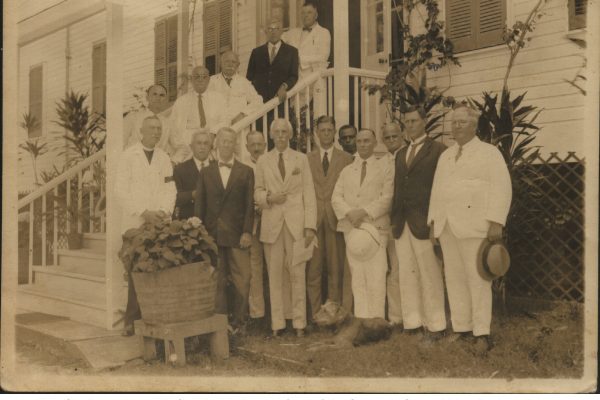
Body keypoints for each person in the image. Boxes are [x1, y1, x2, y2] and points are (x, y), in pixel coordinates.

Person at [428, 104, 512, 353]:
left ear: (474, 125)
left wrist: (496, 221)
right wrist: (434, 223)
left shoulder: (489, 153)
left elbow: (501, 188)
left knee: (477, 279)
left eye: (462, 122)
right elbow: (437, 191)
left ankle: (482, 333)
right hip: (447, 227)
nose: (456, 126)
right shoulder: (445, 156)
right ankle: (462, 328)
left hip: (475, 227)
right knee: (453, 279)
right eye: (453, 122)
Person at [254, 118, 317, 337]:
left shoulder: (301, 159)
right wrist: (270, 197)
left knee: (297, 273)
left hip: (296, 225)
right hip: (272, 225)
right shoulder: (263, 160)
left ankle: (299, 323)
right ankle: (278, 324)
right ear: (271, 135)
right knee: (275, 274)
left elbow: (309, 193)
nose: (281, 135)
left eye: (284, 132)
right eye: (277, 132)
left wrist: (310, 226)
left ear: (289, 135)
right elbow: (257, 192)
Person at [115, 115, 177, 335]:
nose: (156, 132)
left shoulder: (164, 157)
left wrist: (163, 211)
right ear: (141, 130)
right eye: (151, 128)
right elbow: (120, 191)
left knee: (158, 270)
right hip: (135, 223)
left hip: (158, 223)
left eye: (159, 128)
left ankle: (153, 320)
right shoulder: (128, 156)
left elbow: (170, 188)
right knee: (136, 273)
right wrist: (144, 212)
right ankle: (131, 321)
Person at [390, 109, 447, 341]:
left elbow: (441, 189)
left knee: (430, 274)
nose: (410, 125)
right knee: (407, 273)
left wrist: (435, 221)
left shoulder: (439, 151)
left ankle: (436, 326)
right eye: (407, 122)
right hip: (402, 223)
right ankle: (412, 323)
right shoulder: (401, 153)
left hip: (424, 222)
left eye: (414, 121)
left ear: (424, 122)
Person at [195, 127, 255, 331]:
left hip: (238, 236)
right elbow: (199, 207)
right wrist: (201, 236)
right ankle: (219, 325)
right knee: (216, 282)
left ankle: (240, 323)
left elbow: (249, 206)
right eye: (224, 141)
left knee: (243, 280)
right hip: (213, 236)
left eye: (231, 141)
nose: (227, 145)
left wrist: (247, 232)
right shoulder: (206, 172)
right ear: (217, 144)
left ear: (235, 144)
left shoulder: (246, 171)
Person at [331, 129, 394, 320]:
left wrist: (364, 212)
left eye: (367, 141)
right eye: (359, 141)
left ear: (375, 143)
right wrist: (350, 213)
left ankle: (376, 321)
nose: (363, 144)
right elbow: (336, 197)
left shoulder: (385, 167)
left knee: (376, 276)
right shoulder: (348, 170)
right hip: (353, 230)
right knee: (357, 277)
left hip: (375, 229)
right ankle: (362, 320)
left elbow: (387, 197)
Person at [306, 116, 353, 323]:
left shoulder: (346, 159)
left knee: (336, 269)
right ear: (316, 133)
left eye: (329, 130)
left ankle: (333, 315)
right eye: (322, 130)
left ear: (334, 133)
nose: (326, 134)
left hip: (335, 220)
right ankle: (315, 314)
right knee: (314, 270)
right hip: (314, 221)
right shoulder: (307, 158)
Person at [246, 18, 299, 144]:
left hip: (279, 103)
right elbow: (249, 78)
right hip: (259, 103)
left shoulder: (291, 51)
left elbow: (293, 76)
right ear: (265, 31)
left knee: (278, 136)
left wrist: (284, 86)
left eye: (276, 29)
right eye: (270, 29)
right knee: (260, 136)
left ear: (282, 31)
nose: (273, 32)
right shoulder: (256, 52)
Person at [209, 51, 263, 162]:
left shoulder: (244, 82)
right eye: (227, 61)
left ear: (238, 65)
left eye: (233, 62)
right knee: (219, 161)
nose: (230, 64)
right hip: (217, 129)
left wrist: (243, 114)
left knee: (243, 160)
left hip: (240, 128)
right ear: (221, 63)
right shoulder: (212, 81)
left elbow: (258, 101)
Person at [170, 66, 228, 160]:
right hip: (187, 144)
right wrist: (185, 145)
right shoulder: (181, 101)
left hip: (212, 142)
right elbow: (174, 128)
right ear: (191, 80)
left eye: (204, 77)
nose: (200, 80)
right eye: (197, 77)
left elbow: (225, 121)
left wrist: (213, 133)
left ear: (209, 80)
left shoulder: (219, 98)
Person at [381, 122, 405, 327]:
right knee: (394, 269)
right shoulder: (383, 163)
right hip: (389, 222)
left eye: (394, 136)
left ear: (402, 135)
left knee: (413, 269)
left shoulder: (409, 156)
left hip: (410, 221)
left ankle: (418, 316)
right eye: (387, 138)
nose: (391, 141)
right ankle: (396, 317)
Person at [123, 84, 186, 161]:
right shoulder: (133, 117)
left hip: (156, 168)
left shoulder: (168, 123)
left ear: (166, 99)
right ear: (147, 97)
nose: (158, 98)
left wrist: (173, 162)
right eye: (154, 94)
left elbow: (182, 147)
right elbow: (119, 143)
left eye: (162, 95)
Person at [244, 131, 268, 329]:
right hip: (253, 224)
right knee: (255, 268)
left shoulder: (271, 164)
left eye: (260, 144)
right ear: (247, 147)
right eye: (253, 144)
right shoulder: (244, 168)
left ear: (265, 145)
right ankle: (258, 315)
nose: (257, 148)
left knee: (275, 268)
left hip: (272, 221)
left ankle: (276, 315)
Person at [172, 130, 214, 220]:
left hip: (214, 222)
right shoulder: (180, 169)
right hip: (190, 223)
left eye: (206, 143)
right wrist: (192, 194)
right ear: (191, 147)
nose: (202, 147)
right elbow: (175, 196)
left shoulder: (218, 167)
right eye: (198, 143)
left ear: (210, 147)